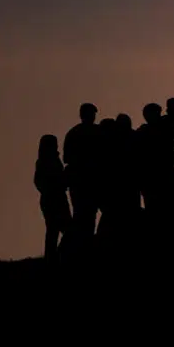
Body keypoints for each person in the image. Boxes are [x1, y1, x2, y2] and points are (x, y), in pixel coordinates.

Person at [62, 103, 101, 244]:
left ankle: (82, 246)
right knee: (84, 216)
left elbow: (66, 158)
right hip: (85, 181)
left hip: (83, 181)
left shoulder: (73, 133)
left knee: (84, 215)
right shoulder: (96, 132)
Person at [34, 134, 70, 260]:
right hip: (55, 199)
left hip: (53, 198)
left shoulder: (48, 160)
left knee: (55, 230)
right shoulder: (47, 162)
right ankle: (54, 255)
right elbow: (40, 182)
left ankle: (53, 255)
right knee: (59, 229)